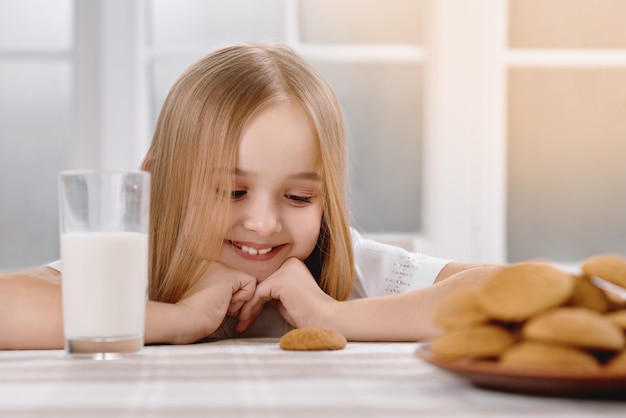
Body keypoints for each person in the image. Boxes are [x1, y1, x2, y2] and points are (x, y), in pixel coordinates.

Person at [0, 42, 498, 350]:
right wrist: (175, 319)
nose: (263, 223)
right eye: (231, 190)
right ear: (157, 184)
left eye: (300, 197)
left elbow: (509, 288)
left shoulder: (341, 266)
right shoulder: (137, 268)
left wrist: (332, 315)